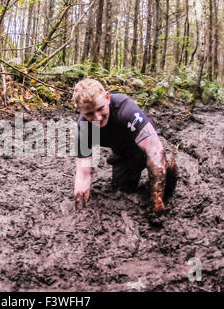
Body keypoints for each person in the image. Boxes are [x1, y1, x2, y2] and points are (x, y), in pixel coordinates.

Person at [73, 78, 177, 213]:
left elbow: (155, 150)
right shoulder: (84, 129)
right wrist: (80, 211)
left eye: (100, 109)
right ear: (79, 110)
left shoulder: (125, 108)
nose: (97, 118)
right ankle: (144, 187)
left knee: (163, 165)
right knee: (121, 192)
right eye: (89, 113)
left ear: (107, 98)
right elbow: (83, 174)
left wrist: (156, 201)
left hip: (148, 147)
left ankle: (165, 178)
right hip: (125, 155)